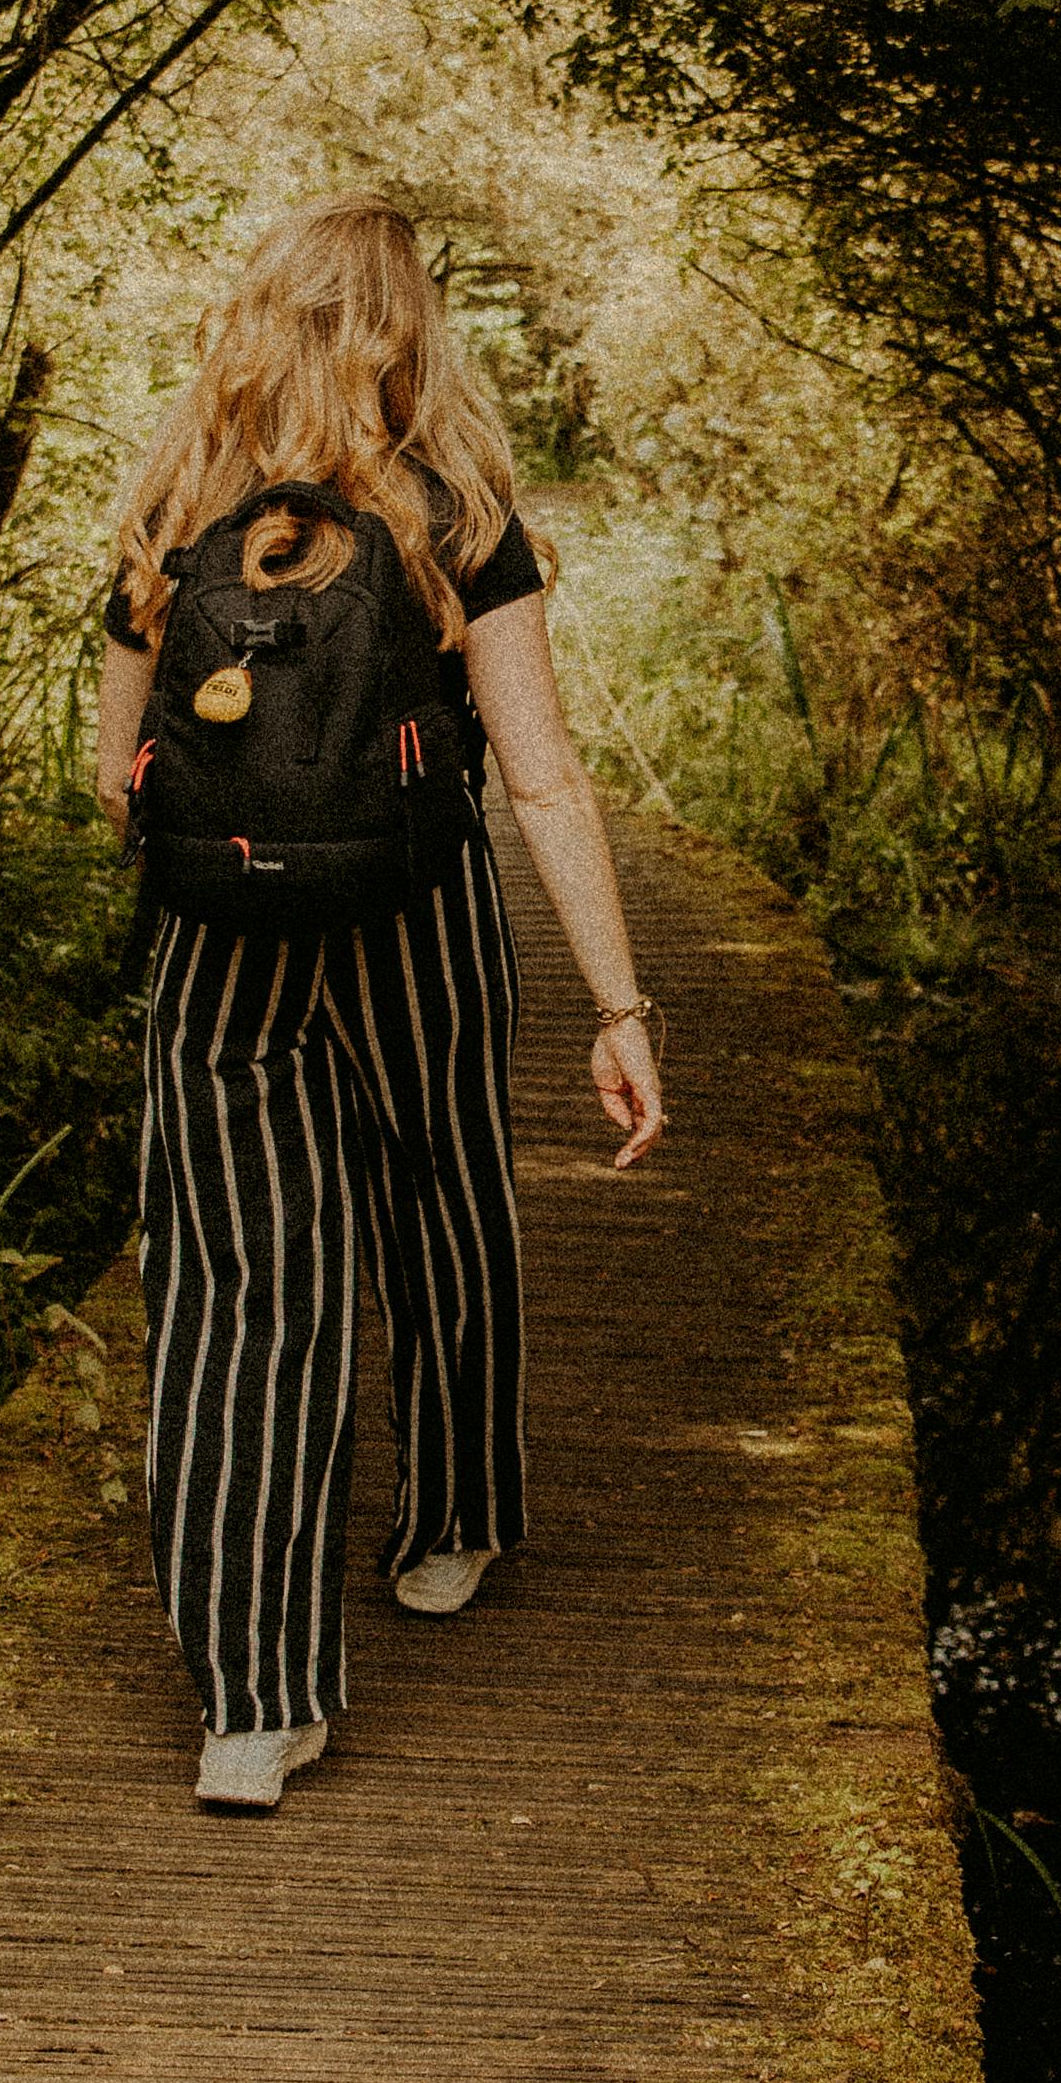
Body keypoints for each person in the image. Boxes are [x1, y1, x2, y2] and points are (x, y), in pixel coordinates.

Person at [94, 198, 668, 1813]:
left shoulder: (169, 509)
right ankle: (455, 1518)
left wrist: (233, 834)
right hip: (413, 920)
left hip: (218, 952)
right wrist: (618, 1005)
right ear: (412, 332)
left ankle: (254, 1709)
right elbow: (543, 781)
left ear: (255, 320)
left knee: (231, 1298)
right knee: (447, 1194)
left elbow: (112, 776)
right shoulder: (455, 508)